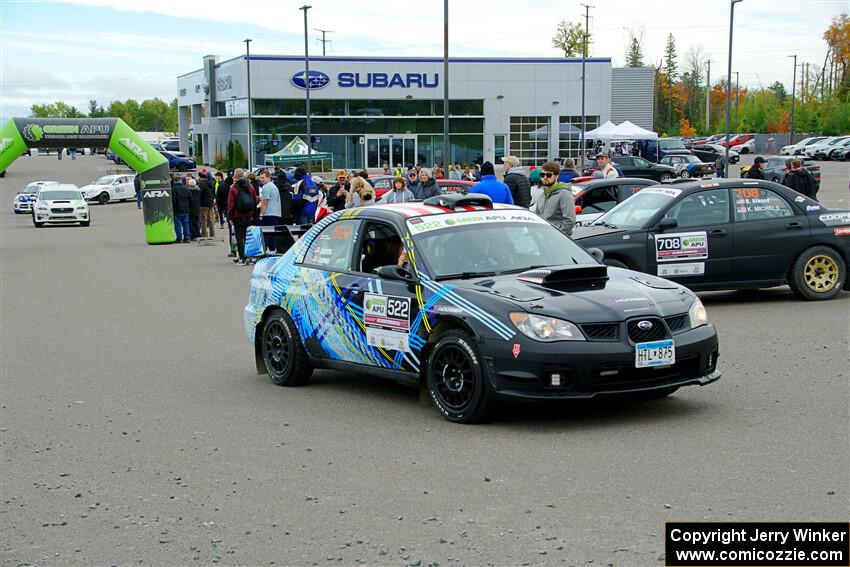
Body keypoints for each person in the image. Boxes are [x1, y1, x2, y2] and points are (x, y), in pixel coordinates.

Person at [531, 161, 576, 236]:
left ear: (556, 176)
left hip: (558, 239)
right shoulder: (543, 194)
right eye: (542, 175)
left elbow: (570, 221)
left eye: (548, 175)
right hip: (543, 237)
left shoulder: (564, 194)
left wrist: (555, 236)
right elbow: (538, 217)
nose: (545, 177)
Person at [227, 169, 259, 264]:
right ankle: (249, 255)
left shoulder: (233, 189)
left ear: (235, 177)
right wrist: (253, 214)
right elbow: (254, 201)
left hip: (238, 216)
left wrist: (230, 217)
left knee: (239, 237)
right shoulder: (251, 187)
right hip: (249, 215)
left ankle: (242, 257)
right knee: (248, 236)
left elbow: (231, 205)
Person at [171, 177, 191, 243]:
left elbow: (173, 200)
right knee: (186, 223)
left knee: (178, 224)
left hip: (177, 209)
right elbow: (191, 198)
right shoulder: (186, 188)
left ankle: (179, 238)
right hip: (186, 209)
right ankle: (187, 237)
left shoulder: (173, 189)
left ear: (175, 181)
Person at [198, 173, 216, 238]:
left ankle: (204, 234)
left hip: (203, 204)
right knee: (210, 219)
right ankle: (212, 234)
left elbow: (200, 193)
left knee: (203, 219)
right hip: (210, 203)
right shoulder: (210, 183)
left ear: (201, 177)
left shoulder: (202, 184)